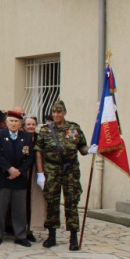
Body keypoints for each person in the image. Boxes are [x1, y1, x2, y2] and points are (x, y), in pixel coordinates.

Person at [35, 100, 89, 250]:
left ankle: (73, 236)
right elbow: (38, 151)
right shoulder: (45, 130)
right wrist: (40, 173)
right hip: (52, 169)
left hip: (70, 170)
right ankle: (51, 235)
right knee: (52, 202)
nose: (56, 114)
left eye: (59, 112)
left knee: (71, 202)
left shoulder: (74, 128)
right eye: (54, 112)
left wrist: (90, 150)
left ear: (64, 112)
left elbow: (82, 147)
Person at [0, 111, 34, 246]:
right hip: (3, 177)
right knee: (1, 208)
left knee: (19, 209)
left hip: (19, 178)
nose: (14, 124)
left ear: (20, 123)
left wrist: (19, 171)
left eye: (16, 121)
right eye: (11, 121)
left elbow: (30, 156)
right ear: (6, 122)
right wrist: (9, 169)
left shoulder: (26, 137)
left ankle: (20, 236)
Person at [24, 116, 44, 240]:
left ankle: (30, 230)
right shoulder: (21, 136)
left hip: (35, 171)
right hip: (22, 171)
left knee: (33, 201)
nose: (31, 126)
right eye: (28, 124)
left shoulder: (39, 138)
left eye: (33, 124)